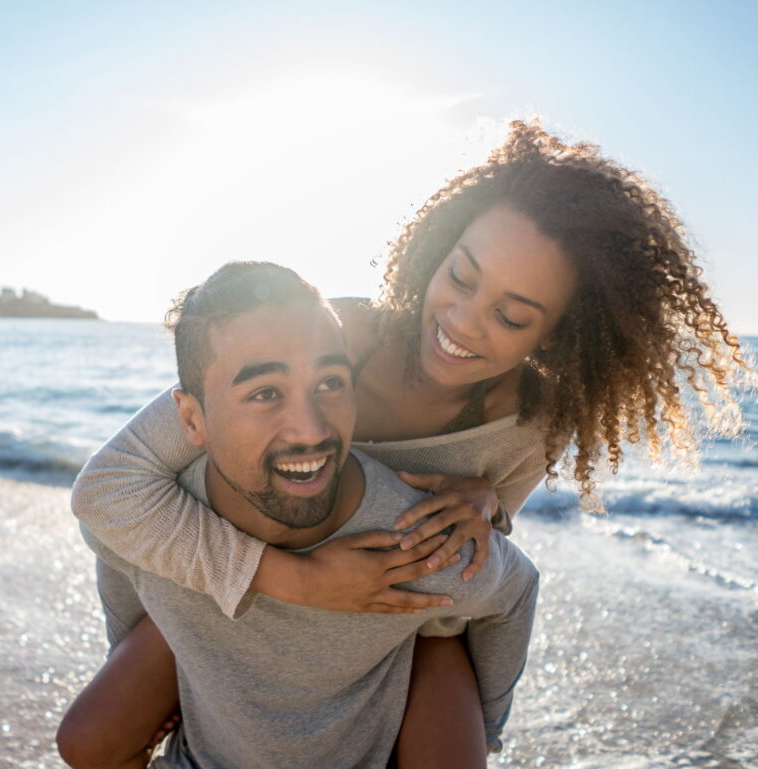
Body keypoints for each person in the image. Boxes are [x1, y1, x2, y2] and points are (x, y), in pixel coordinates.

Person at [66, 120, 751, 764]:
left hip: (403, 620)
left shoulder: (534, 423)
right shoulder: (334, 338)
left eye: (511, 316)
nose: (461, 321)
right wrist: (292, 580)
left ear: (556, 335)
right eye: (459, 276)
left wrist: (487, 504)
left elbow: (486, 545)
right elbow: (118, 482)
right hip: (253, 571)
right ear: (436, 246)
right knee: (93, 736)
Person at [58, 262, 540, 769]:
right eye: (265, 393)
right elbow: (109, 536)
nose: (309, 430)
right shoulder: (154, 514)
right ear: (191, 420)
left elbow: (515, 589)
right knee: (84, 744)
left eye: (331, 382)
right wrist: (158, 663)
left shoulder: (405, 537)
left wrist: (482, 729)